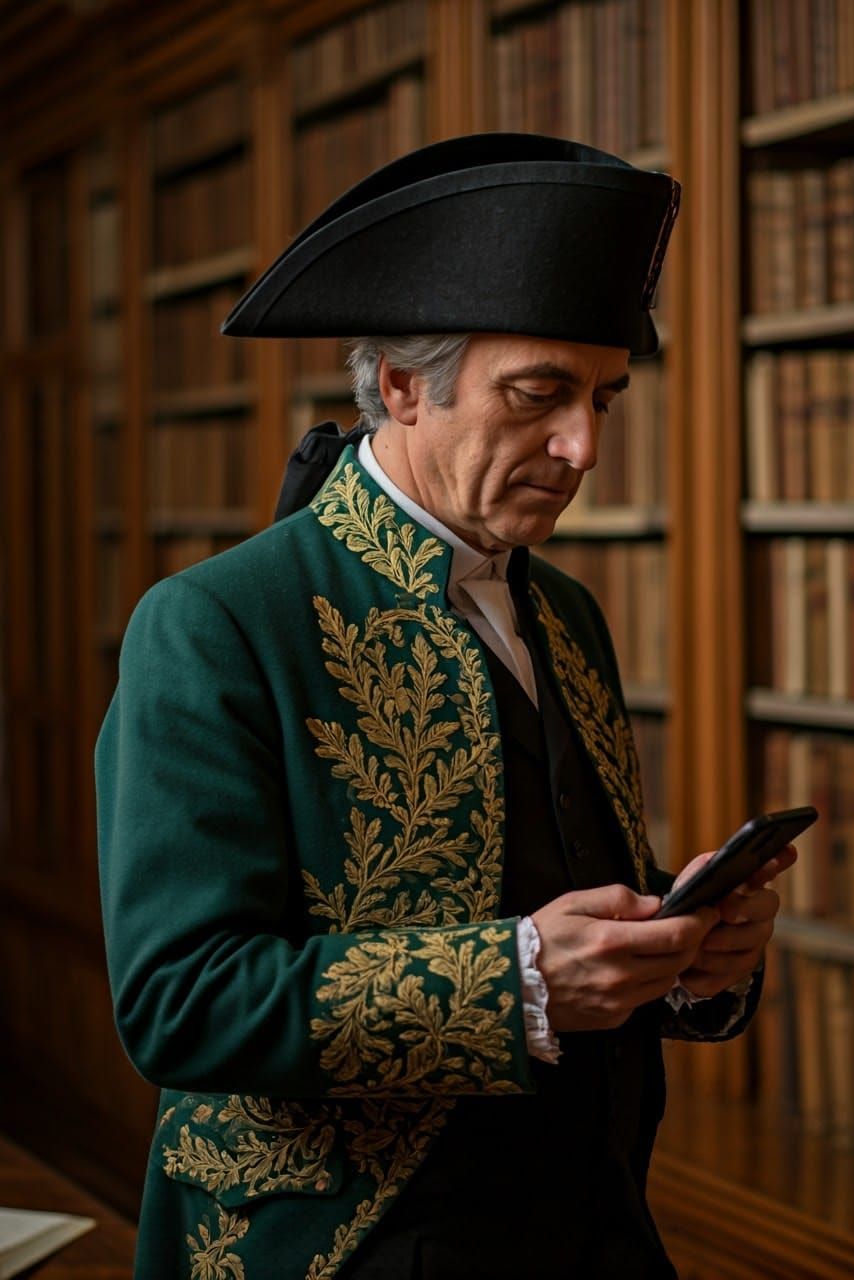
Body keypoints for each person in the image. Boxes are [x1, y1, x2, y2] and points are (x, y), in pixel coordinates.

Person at [96, 133, 792, 1280]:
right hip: (342, 1249)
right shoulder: (212, 622)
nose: (582, 446)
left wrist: (683, 950)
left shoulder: (566, 611)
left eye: (603, 398)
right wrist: (521, 978)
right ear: (403, 386)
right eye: (539, 393)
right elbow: (181, 1001)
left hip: (593, 1225)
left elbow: (547, 894)